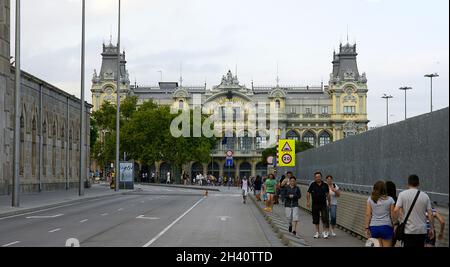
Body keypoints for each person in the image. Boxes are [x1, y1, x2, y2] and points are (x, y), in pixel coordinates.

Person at [394, 175, 434, 248]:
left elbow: (396, 210)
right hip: (421, 231)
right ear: (418, 183)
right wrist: (431, 228)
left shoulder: (402, 194)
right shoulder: (425, 196)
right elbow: (430, 214)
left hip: (408, 230)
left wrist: (396, 223)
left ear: (408, 183)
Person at [365, 181, 396, 247]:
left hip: (374, 227)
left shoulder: (370, 199)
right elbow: (392, 215)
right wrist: (395, 225)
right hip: (386, 227)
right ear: (384, 189)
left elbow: (368, 214)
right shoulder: (390, 199)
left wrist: (367, 228)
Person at [307, 171, 331, 239]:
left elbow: (328, 194)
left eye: (319, 177)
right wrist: (308, 202)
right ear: (314, 178)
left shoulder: (325, 185)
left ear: (321, 177)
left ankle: (324, 232)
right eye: (316, 177)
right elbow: (308, 193)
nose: (318, 178)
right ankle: (317, 232)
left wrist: (329, 203)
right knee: (316, 219)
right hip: (315, 204)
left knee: (324, 218)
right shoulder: (312, 184)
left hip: (323, 204)